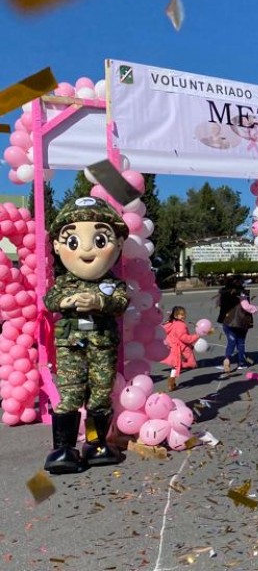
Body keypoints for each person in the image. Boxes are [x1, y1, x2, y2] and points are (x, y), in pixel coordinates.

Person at [44, 197, 130, 474]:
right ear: (58, 245)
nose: (86, 249)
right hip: (71, 345)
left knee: (100, 395)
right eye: (72, 241)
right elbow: (50, 300)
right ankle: (63, 448)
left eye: (100, 240)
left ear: (116, 243)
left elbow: (121, 302)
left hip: (102, 345)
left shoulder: (113, 283)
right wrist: (68, 302)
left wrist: (98, 302)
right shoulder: (63, 282)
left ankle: (95, 443)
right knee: (70, 394)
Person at [216, 275, 258, 374]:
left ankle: (227, 359)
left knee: (231, 342)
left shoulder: (223, 293)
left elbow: (218, 303)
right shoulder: (242, 294)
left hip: (227, 322)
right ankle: (242, 363)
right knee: (241, 342)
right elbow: (247, 307)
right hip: (240, 322)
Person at [161, 306, 201, 391]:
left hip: (173, 348)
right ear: (176, 316)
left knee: (175, 366)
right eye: (180, 315)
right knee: (178, 365)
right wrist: (195, 337)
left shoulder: (172, 323)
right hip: (180, 349)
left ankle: (172, 382)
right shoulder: (181, 325)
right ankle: (171, 383)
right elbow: (184, 337)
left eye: (183, 314)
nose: (183, 316)